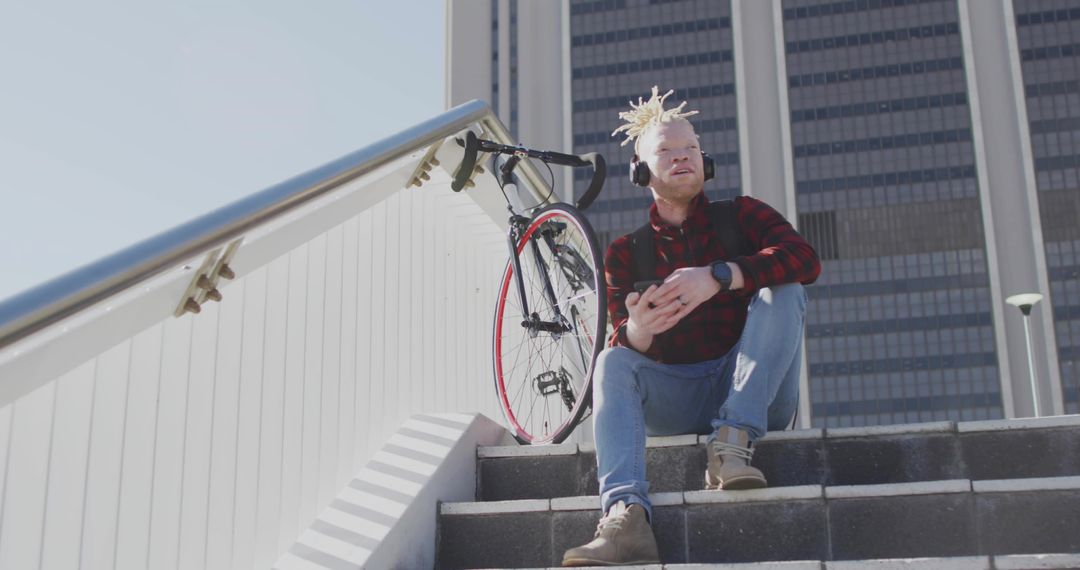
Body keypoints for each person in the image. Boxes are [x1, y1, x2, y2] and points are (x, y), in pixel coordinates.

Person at [562, 87, 821, 567]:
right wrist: (640, 329)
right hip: (673, 396)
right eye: (666, 151)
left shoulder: (744, 215)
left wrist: (720, 276)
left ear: (707, 160)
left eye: (690, 149)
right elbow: (621, 339)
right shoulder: (624, 252)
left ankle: (731, 445)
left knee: (786, 287)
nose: (682, 157)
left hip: (751, 389)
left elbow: (806, 259)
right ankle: (625, 517)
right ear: (640, 171)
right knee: (613, 359)